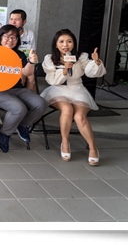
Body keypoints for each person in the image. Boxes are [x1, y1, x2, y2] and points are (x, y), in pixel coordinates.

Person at [40, 29, 106, 165]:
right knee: (67, 110)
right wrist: (64, 69)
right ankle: (65, 142)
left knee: (79, 117)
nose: (65, 45)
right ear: (56, 44)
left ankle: (93, 148)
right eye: (62, 41)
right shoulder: (49, 58)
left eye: (69, 41)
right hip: (58, 89)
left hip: (77, 88)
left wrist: (96, 62)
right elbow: (52, 80)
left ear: (74, 44)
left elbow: (90, 72)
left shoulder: (81, 56)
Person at [0, 25, 49, 153]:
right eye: (6, 36)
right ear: (0, 37)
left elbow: (26, 72)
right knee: (19, 108)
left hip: (18, 89)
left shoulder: (19, 54)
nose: (10, 39)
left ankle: (22, 124)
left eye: (13, 37)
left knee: (41, 104)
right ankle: (4, 132)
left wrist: (31, 62)